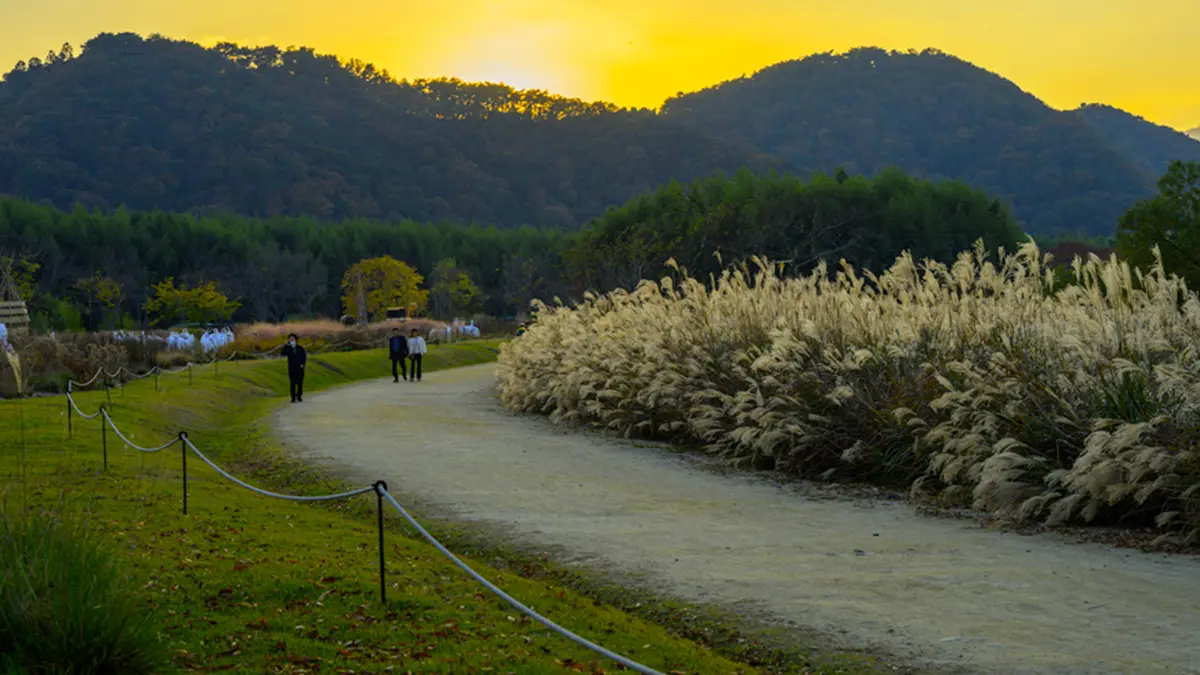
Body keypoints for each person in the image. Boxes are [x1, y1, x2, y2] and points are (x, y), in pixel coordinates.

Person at [280, 333, 307, 402]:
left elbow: (304, 357)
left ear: (296, 340)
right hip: (292, 368)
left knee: (299, 383)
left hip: (300, 368)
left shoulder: (300, 348)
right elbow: (283, 353)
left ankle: (299, 396)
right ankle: (293, 398)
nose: (291, 340)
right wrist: (286, 345)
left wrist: (302, 364)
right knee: (292, 383)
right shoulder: (288, 348)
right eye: (290, 339)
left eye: (293, 339)